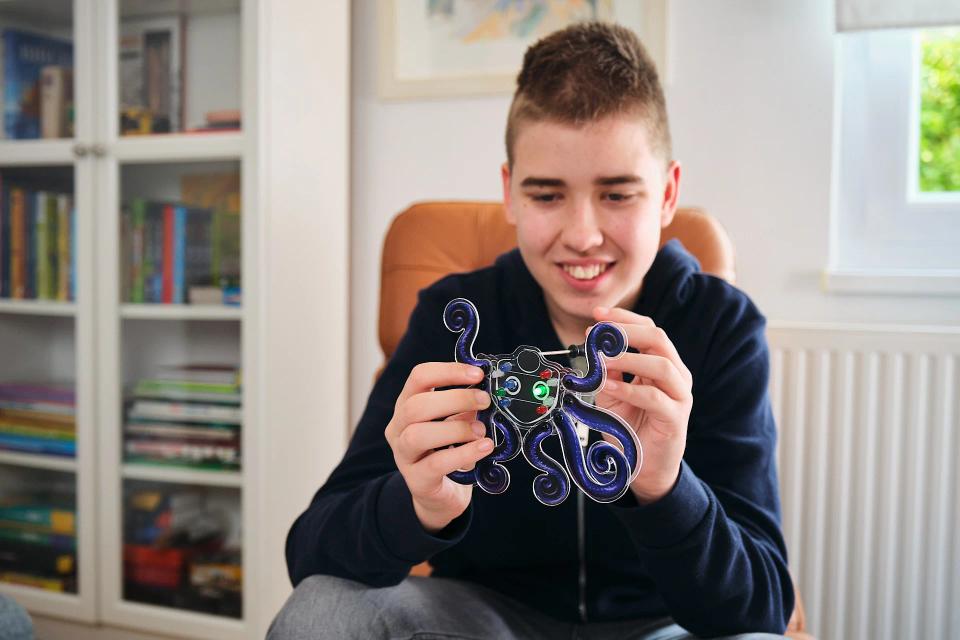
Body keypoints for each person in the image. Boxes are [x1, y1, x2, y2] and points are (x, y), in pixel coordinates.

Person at [270, 21, 793, 640]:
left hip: (659, 624)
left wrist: (666, 488)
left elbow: (761, 611)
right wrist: (417, 504)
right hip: (485, 619)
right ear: (510, 195)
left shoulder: (720, 325)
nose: (581, 234)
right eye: (547, 196)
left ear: (668, 194)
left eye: (618, 195)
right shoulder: (455, 314)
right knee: (319, 615)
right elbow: (309, 555)